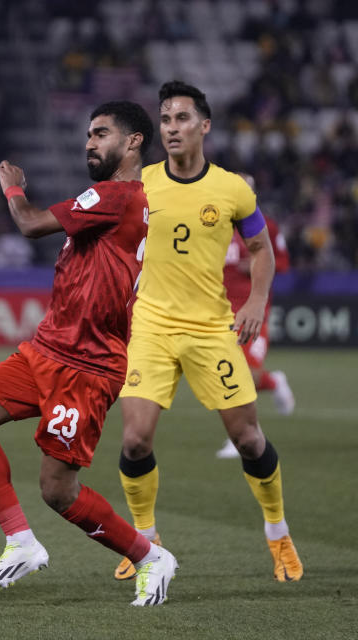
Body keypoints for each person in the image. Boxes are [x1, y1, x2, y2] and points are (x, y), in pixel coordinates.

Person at [0, 101, 178, 606]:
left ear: (134, 141)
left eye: (101, 134)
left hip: (87, 366)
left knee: (57, 490)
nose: (90, 143)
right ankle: (20, 542)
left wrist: (12, 185)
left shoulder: (117, 194)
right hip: (47, 348)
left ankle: (150, 557)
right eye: (88, 136)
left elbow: (30, 223)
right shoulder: (113, 200)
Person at [113, 81, 303, 584]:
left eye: (181, 119)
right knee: (134, 441)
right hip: (150, 326)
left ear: (204, 126)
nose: (171, 128)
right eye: (166, 119)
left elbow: (261, 249)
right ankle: (144, 541)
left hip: (210, 328)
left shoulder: (233, 189)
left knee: (247, 438)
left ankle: (277, 531)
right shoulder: (140, 181)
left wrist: (257, 301)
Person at [217, 175, 294, 459]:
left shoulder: (265, 226)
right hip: (219, 312)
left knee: (244, 372)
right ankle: (274, 382)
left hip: (253, 311)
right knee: (223, 375)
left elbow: (283, 263)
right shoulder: (213, 223)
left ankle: (240, 436)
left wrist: (256, 264)